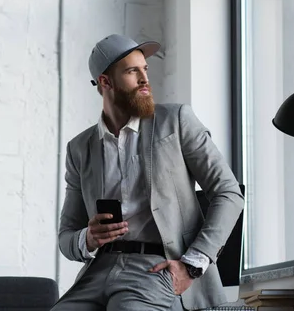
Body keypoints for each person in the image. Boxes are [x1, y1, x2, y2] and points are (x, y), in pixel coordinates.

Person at [52, 34, 244, 311]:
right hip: (99, 270)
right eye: (132, 71)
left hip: (156, 269)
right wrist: (88, 238)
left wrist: (192, 264)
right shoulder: (79, 148)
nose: (145, 79)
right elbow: (66, 236)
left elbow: (229, 192)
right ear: (105, 82)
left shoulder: (176, 121)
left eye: (145, 69)